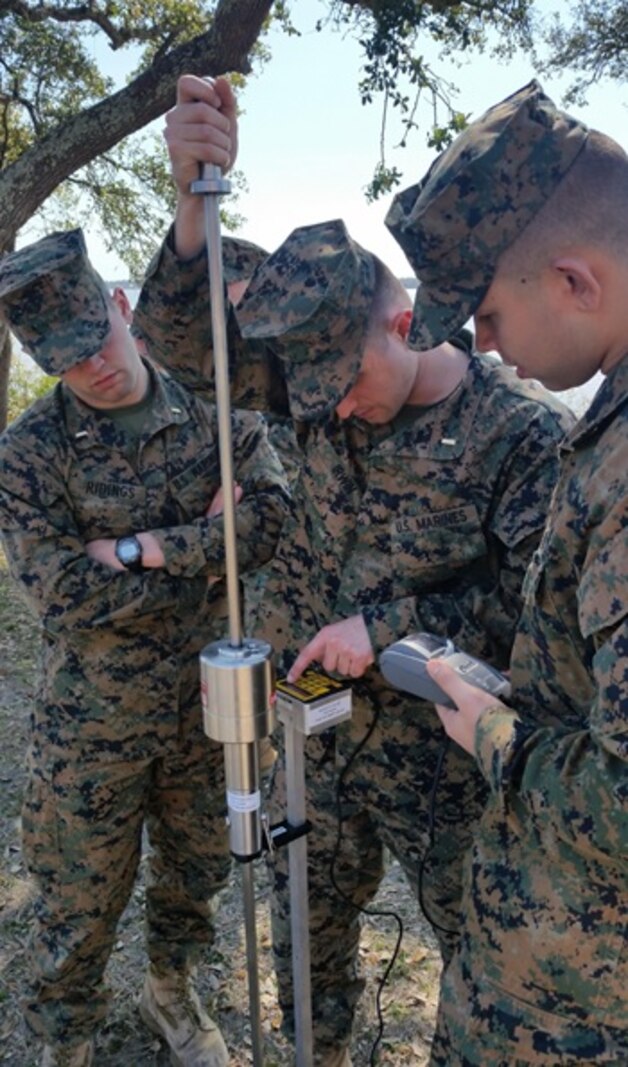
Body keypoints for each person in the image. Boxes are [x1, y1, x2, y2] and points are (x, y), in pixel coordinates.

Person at [134, 74, 575, 1067]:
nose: (329, 411)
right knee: (304, 940)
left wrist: (385, 627)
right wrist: (191, 194)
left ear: (403, 322)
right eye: (312, 392)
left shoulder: (519, 437)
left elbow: (533, 621)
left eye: (348, 384)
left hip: (445, 761)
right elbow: (182, 344)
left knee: (473, 951)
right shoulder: (315, 388)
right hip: (309, 739)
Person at [0, 228, 289, 1067]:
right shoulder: (27, 454)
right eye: (66, 360)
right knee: (77, 897)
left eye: (97, 340)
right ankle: (69, 1036)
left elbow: (267, 520)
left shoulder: (213, 416)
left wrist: (140, 547)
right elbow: (63, 593)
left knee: (195, 872)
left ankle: (172, 990)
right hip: (93, 722)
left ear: (121, 307)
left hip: (206, 708)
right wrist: (205, 553)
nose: (92, 366)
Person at [384, 79, 628, 1066]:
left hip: (576, 1004)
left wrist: (490, 730)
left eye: (483, 313)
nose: (481, 344)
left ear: (575, 282)